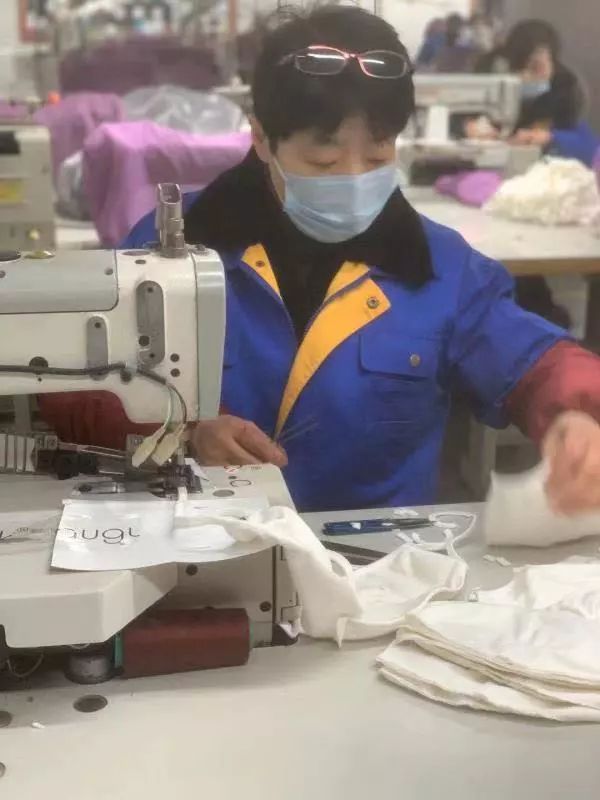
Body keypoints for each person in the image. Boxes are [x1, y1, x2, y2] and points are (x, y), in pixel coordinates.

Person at [40, 5, 600, 516]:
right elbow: (72, 387)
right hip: (204, 549)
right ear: (262, 139)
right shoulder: (172, 250)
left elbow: (539, 363)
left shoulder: (438, 269)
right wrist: (183, 434)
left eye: (378, 155)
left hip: (381, 566)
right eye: (324, 160)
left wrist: (576, 417)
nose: (354, 178)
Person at [475, 19, 599, 166]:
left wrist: (550, 138)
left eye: (536, 68)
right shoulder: (492, 74)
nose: (526, 76)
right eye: (520, 67)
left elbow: (590, 148)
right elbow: (464, 121)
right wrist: (469, 127)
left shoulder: (565, 91)